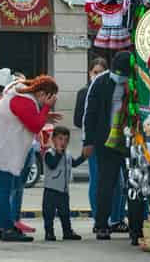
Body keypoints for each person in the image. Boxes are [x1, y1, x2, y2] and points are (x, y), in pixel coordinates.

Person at [0, 75, 60, 242]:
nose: (48, 103)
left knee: (1, 188)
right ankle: (6, 228)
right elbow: (34, 125)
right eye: (49, 99)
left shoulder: (22, 97)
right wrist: (45, 110)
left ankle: (3, 226)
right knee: (3, 189)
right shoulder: (24, 99)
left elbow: (29, 119)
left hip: (0, 147)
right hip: (3, 150)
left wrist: (44, 113)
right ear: (42, 94)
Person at [74, 57, 128, 233]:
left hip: (130, 141)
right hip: (106, 142)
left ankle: (135, 225)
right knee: (105, 184)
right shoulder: (101, 82)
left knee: (133, 184)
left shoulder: (135, 81)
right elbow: (89, 114)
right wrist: (88, 141)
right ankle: (101, 224)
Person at [43, 126, 85, 241]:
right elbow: (52, 164)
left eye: (66, 140)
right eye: (60, 139)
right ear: (53, 139)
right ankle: (49, 232)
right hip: (51, 189)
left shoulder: (67, 154)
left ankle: (67, 231)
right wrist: (58, 152)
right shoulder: (49, 153)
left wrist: (84, 156)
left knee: (65, 213)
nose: (63, 142)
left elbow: (74, 163)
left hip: (63, 190)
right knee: (49, 214)